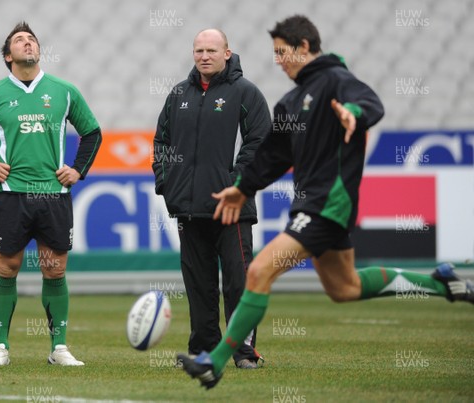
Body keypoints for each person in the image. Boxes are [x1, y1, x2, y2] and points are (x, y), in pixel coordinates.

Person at [177, 15, 474, 389]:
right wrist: (243, 187)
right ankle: (439, 283)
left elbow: (370, 102)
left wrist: (355, 114)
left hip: (328, 204)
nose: (278, 60)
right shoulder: (290, 101)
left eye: (283, 52)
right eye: (274, 53)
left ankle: (215, 362)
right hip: (313, 206)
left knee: (259, 271)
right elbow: (271, 156)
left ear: (304, 47)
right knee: (344, 288)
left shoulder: (335, 80)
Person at [0, 22, 102, 366]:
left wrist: (78, 169)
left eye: (32, 39)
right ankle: (0, 346)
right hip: (10, 193)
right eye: (19, 40)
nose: (27, 43)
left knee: (54, 268)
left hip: (53, 193)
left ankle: (59, 348)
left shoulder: (64, 91)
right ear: (8, 56)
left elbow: (92, 132)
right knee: (8, 266)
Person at [152, 29, 271, 369]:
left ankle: (244, 352)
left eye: (211, 50)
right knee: (199, 287)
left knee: (238, 282)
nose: (204, 56)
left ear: (227, 53)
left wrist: (238, 183)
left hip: (232, 208)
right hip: (189, 209)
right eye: (199, 50)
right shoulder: (178, 94)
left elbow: (260, 142)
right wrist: (166, 183)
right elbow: (161, 141)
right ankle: (204, 349)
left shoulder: (245, 93)